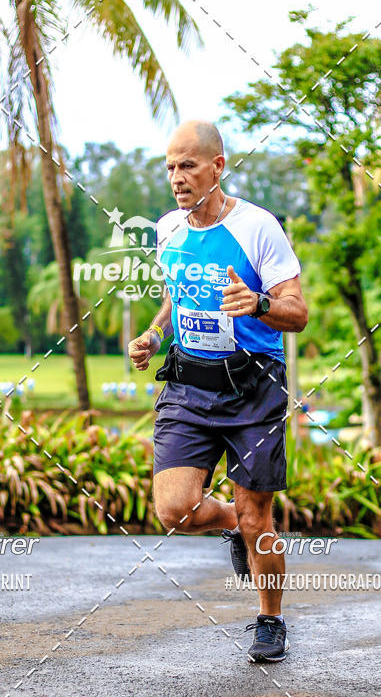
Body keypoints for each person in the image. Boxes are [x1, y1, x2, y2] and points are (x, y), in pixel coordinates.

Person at [129, 120, 308, 663]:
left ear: (217, 166)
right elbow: (175, 291)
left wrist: (256, 303)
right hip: (189, 384)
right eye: (169, 167)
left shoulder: (258, 228)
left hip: (254, 387)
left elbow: (297, 313)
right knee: (175, 509)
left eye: (187, 165)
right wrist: (155, 333)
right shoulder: (168, 229)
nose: (176, 178)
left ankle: (270, 619)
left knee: (261, 518)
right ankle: (234, 523)